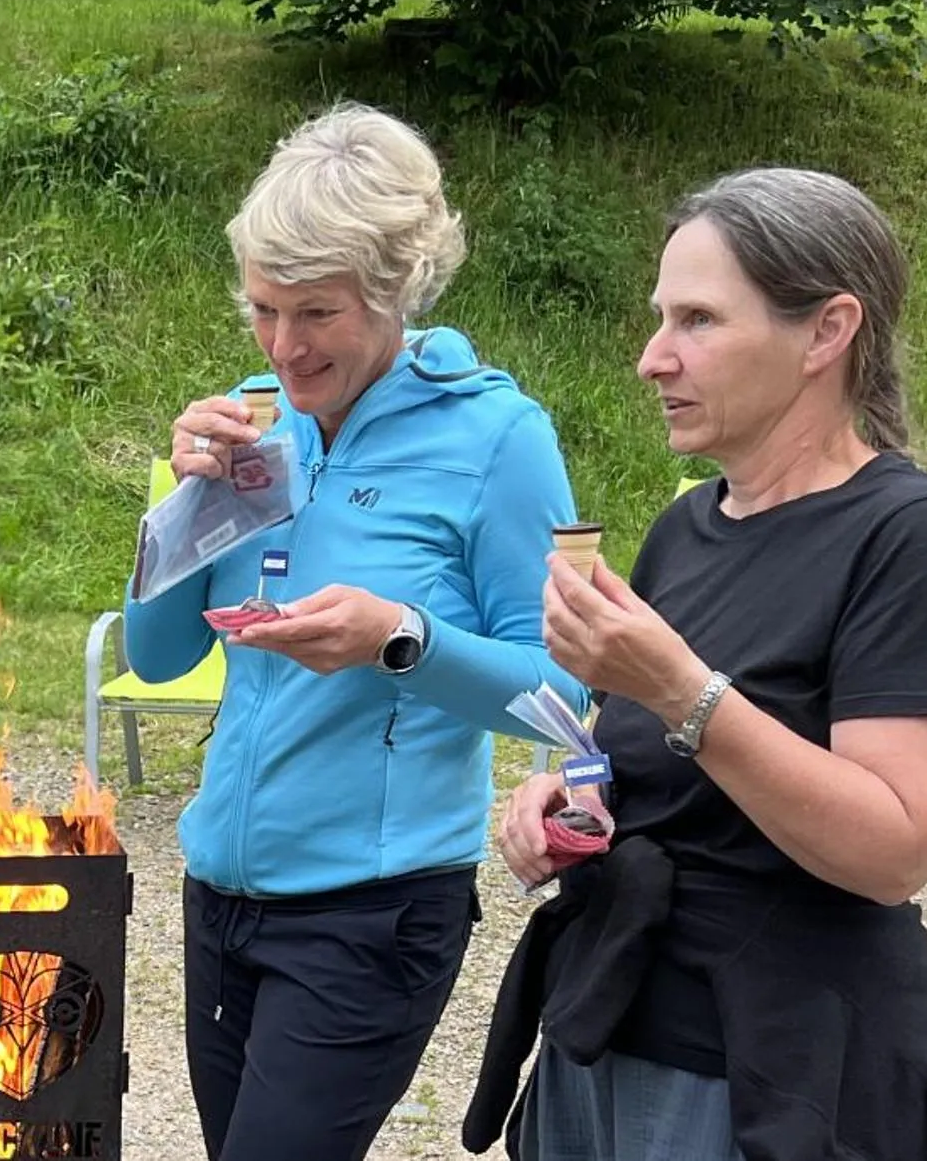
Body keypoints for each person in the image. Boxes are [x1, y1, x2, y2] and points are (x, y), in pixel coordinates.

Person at [465, 168, 927, 1160]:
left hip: (773, 1070)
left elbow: (895, 850)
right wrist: (563, 795)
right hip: (604, 1024)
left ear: (826, 331)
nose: (652, 358)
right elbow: (642, 755)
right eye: (658, 318)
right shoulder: (691, 525)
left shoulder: (915, 542)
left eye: (699, 321)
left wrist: (685, 691)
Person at [123, 102, 588, 1160]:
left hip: (371, 913)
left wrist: (403, 639)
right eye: (262, 308)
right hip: (221, 893)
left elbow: (562, 695)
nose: (284, 346)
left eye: (316, 313)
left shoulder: (500, 438)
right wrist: (181, 512)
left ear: (394, 290)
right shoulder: (255, 419)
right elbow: (158, 657)